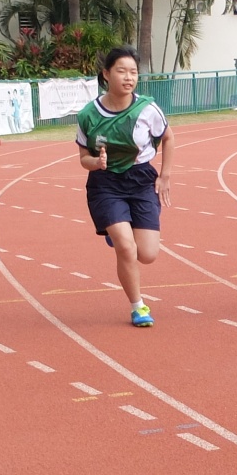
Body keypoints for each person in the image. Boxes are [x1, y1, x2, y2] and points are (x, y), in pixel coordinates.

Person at [75, 46, 169, 328]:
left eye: (133, 72)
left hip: (140, 180)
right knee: (126, 248)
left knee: (148, 254)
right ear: (106, 74)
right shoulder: (89, 114)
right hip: (106, 184)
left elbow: (169, 138)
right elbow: (83, 158)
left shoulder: (147, 109)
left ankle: (119, 234)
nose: (129, 78)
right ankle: (138, 307)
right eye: (122, 71)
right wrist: (96, 162)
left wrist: (165, 176)